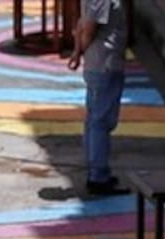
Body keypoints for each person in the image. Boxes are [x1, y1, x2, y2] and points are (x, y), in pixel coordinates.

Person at [68, 0, 131, 196]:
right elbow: (88, 27)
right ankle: (98, 176)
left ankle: (97, 170)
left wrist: (78, 52)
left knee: (96, 119)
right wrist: (81, 51)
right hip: (104, 63)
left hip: (100, 62)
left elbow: (81, 24)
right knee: (101, 121)